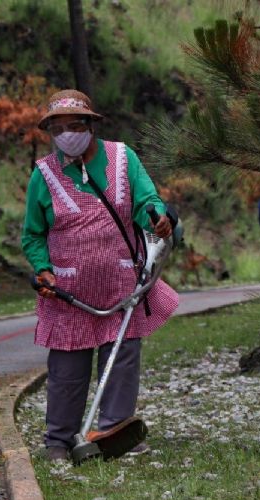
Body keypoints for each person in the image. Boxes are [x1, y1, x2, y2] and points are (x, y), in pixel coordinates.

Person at [21, 89, 179, 461]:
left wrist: (158, 218)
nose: (66, 135)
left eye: (74, 125)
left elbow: (146, 201)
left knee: (121, 359)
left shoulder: (123, 159)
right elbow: (32, 234)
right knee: (67, 369)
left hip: (120, 283)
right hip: (68, 291)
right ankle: (59, 441)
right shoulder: (43, 174)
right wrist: (43, 269)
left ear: (91, 125)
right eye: (57, 129)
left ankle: (114, 432)